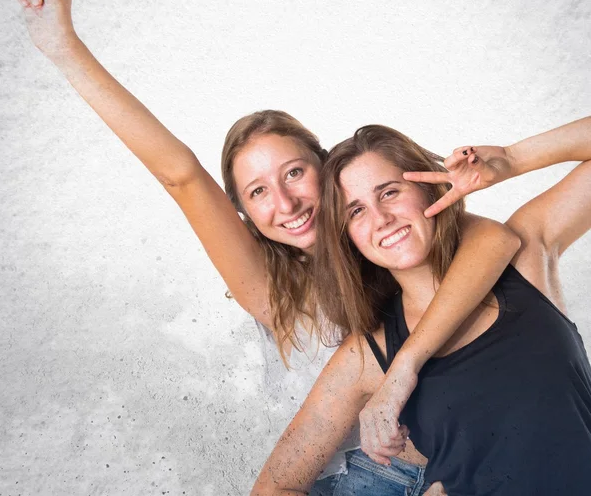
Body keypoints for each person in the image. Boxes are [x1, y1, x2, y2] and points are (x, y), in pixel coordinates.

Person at [13, 0, 522, 495]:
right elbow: (180, 175)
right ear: (245, 212)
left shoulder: (388, 234)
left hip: (468, 455)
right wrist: (65, 48)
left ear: (328, 166)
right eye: (258, 192)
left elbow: (494, 238)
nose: (285, 204)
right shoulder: (272, 291)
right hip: (359, 478)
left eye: (295, 173)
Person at [251, 117, 591, 495]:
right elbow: (275, 487)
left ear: (428, 188)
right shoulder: (368, 353)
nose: (381, 219)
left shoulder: (524, 255)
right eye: (356, 211)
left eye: (390, 192)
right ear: (347, 237)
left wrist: (512, 158)